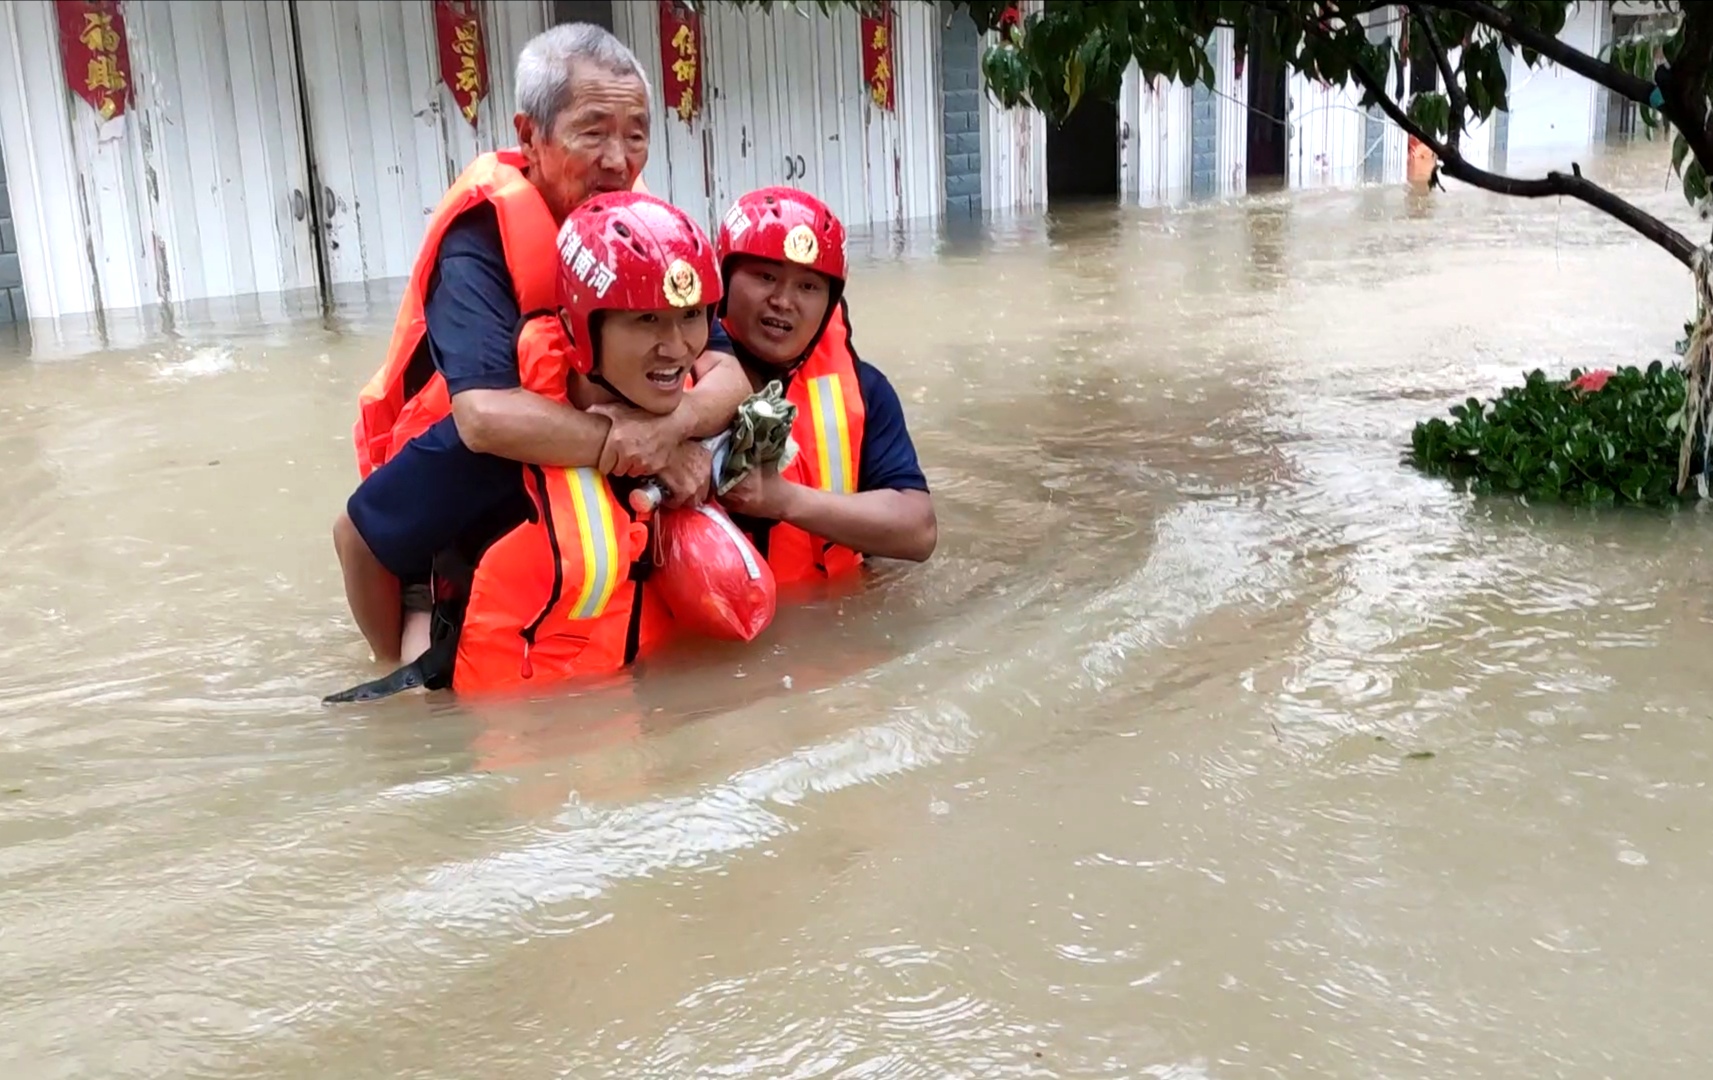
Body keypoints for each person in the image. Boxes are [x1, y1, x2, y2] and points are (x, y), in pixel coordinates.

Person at [332, 23, 749, 668]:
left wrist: (672, 432)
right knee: (422, 672)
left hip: (591, 433)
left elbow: (726, 369)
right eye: (593, 131)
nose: (619, 158)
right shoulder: (480, 241)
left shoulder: (643, 226)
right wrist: (630, 447)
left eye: (636, 134)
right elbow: (482, 415)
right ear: (530, 135)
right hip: (474, 456)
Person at [329, 190, 725, 701]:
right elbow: (356, 537)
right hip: (509, 724)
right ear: (580, 329)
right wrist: (398, 666)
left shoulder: (692, 415)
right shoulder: (498, 447)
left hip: (628, 706)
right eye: (645, 319)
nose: (676, 348)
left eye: (691, 316)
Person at [711, 188, 937, 581]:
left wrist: (784, 500)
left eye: (809, 287)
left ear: (830, 302)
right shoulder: (671, 377)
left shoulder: (867, 392)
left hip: (832, 618)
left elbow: (919, 532)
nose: (783, 301)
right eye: (766, 276)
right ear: (723, 281)